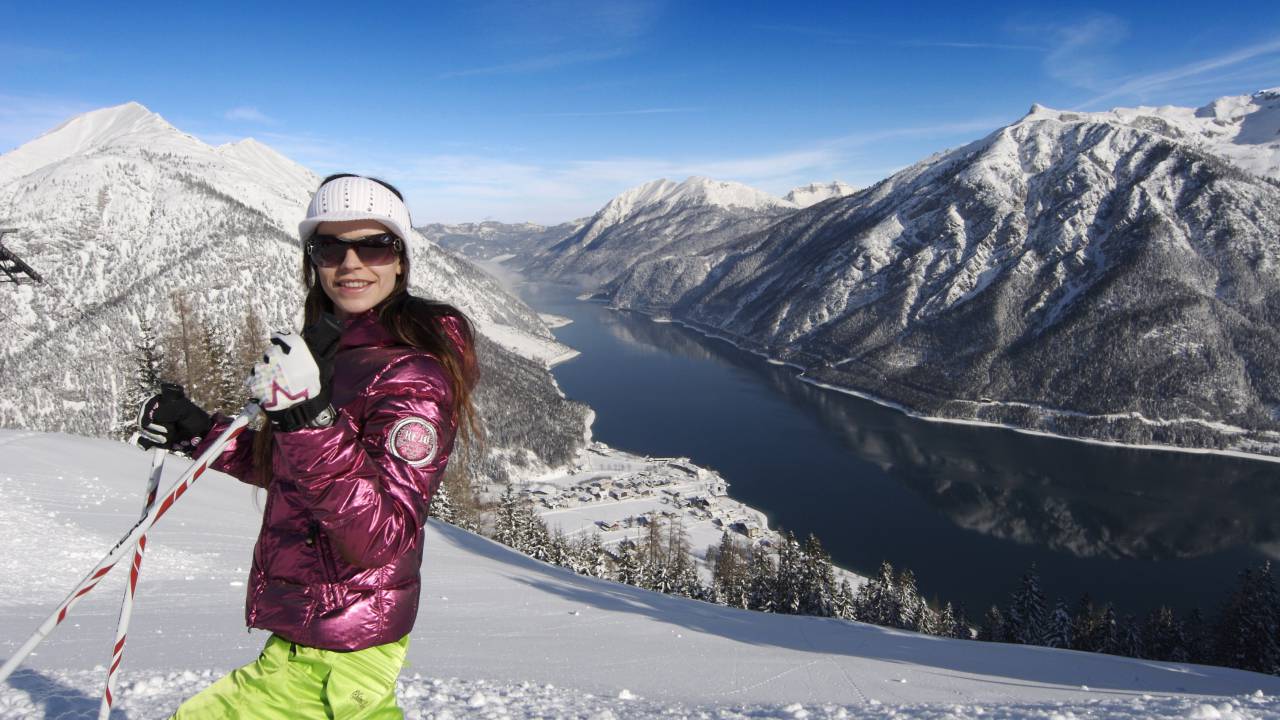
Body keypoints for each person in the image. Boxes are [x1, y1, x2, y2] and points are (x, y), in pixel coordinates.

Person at [136, 174, 479, 718]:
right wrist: (200, 431)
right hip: (318, 624)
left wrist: (308, 420)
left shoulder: (412, 374)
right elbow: (292, 469)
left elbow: (381, 538)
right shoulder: (330, 352)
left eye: (373, 244)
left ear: (401, 260)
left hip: (345, 635)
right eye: (329, 246)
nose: (351, 263)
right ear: (311, 259)